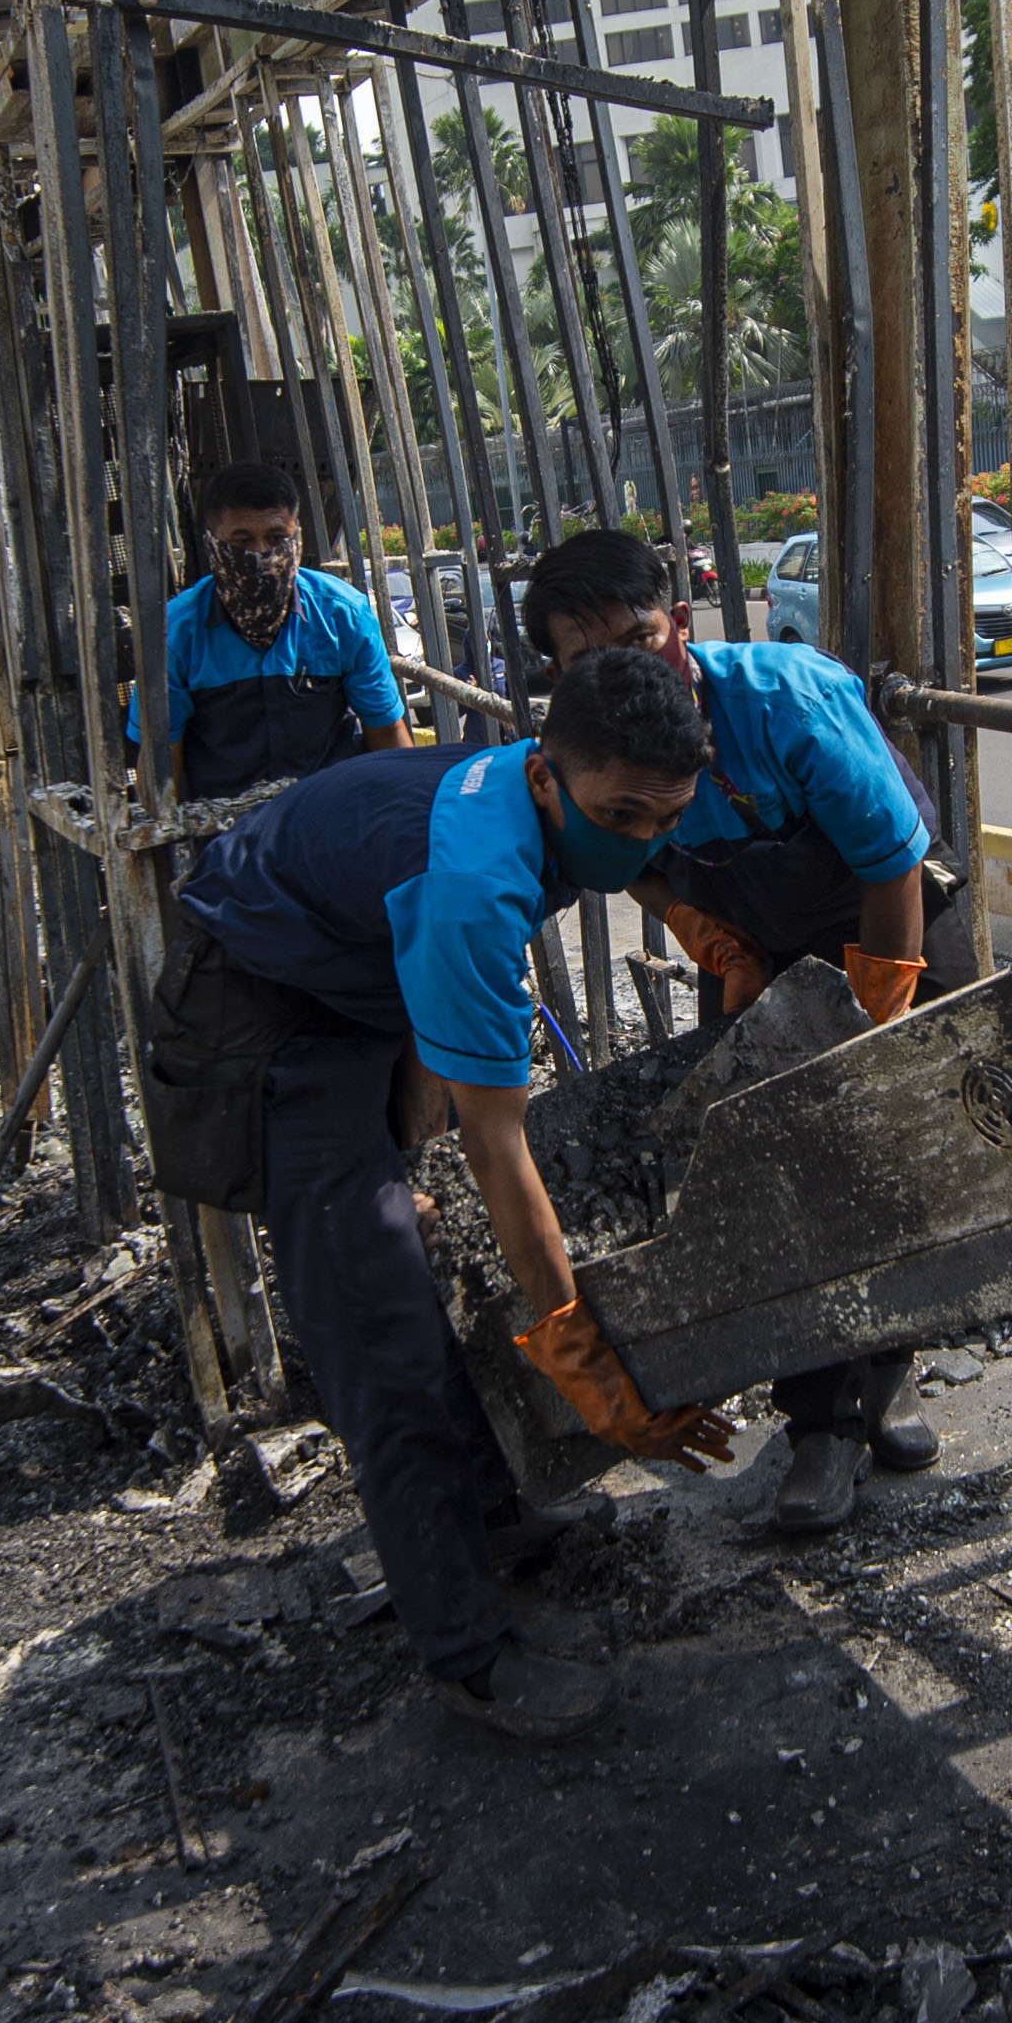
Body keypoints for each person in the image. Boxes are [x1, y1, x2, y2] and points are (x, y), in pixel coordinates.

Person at [150, 649, 738, 1738]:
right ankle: (467, 1649)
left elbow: (447, 1055)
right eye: (622, 813)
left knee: (414, 1253)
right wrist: (576, 1350)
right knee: (380, 1325)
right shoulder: (474, 881)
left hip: (351, 964)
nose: (643, 840)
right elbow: (495, 1143)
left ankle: (482, 1509)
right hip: (260, 1003)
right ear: (552, 776)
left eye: (666, 819)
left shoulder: (531, 798)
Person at [520, 526, 950, 1539]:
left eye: (641, 636)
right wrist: (702, 931)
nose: (626, 672)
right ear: (558, 674)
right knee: (759, 1166)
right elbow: (629, 861)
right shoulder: (579, 748)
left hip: (886, 918)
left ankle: (889, 1373)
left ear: (680, 620)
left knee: (891, 1151)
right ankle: (818, 1425)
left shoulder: (783, 700)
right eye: (589, 659)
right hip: (755, 945)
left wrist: (871, 1013)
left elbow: (891, 863)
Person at [140, 458, 410, 800]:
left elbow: (387, 735)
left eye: (275, 537)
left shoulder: (343, 616)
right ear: (212, 545)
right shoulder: (175, 633)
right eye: (241, 541)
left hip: (329, 821)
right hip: (224, 835)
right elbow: (163, 763)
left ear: (296, 537)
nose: (261, 554)